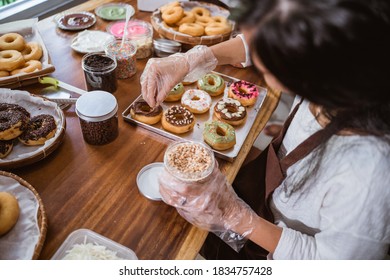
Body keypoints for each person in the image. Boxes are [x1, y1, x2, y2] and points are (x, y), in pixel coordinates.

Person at [140, 0, 390, 259]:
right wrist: (198, 58)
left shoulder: (370, 177)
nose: (254, 52)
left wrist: (233, 216)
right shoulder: (334, 74)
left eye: (269, 56)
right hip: (263, 198)